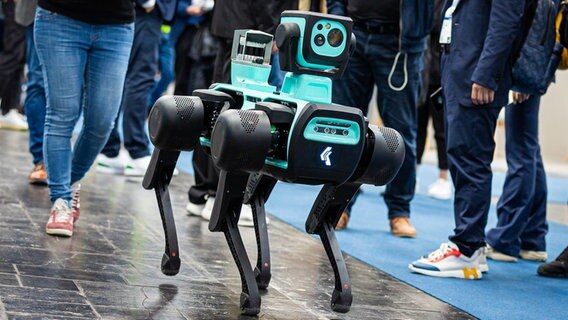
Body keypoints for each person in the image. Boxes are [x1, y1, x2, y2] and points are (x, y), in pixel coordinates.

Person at [409, 0, 528, 279]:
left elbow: (506, 21)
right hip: (460, 67)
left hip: (478, 73)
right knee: (462, 154)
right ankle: (471, 246)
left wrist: (486, 74)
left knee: (471, 158)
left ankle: (467, 249)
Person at [328, 0, 434, 236]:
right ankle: (338, 206)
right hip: (354, 35)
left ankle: (400, 211)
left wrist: (416, 31)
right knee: (345, 127)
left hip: (399, 44)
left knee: (402, 131)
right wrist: (339, 22)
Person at [185, 0, 293, 226]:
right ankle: (218, 196)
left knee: (220, 103)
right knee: (235, 109)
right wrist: (271, 30)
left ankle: (203, 192)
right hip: (250, 28)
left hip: (233, 21)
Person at [35, 0, 135, 237]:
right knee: (62, 114)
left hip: (117, 26)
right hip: (59, 17)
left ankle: (70, 182)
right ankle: (61, 200)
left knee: (102, 121)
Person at [96, 0, 177, 176]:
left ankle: (110, 149)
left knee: (125, 76)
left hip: (137, 12)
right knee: (140, 78)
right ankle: (136, 151)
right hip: (145, 12)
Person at [485, 93, 548, 263]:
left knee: (521, 149)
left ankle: (504, 239)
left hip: (526, 73)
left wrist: (521, 81)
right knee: (528, 147)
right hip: (534, 73)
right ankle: (532, 238)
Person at [416, 0, 452, 201]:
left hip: (440, 77)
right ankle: (414, 172)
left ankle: (443, 177)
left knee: (441, 129)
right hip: (422, 73)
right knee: (418, 126)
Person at [16, 0, 47, 185]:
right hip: (39, 9)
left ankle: (59, 155)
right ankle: (41, 160)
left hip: (88, 14)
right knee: (38, 82)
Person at [0, 0, 27, 131]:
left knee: (19, 56)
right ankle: (5, 109)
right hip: (16, 4)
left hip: (23, 6)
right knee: (12, 55)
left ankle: (10, 108)